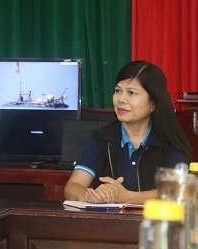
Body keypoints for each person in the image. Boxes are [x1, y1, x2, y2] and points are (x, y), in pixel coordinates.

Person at [64, 60, 191, 204]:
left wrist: (125, 197)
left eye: (131, 93)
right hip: (108, 225)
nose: (121, 99)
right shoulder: (100, 139)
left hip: (156, 224)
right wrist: (92, 195)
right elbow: (72, 188)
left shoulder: (170, 142)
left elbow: (177, 191)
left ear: (154, 104)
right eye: (118, 91)